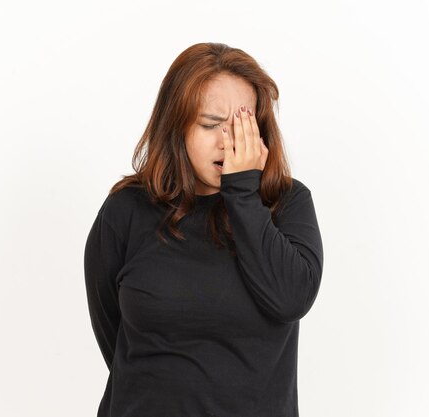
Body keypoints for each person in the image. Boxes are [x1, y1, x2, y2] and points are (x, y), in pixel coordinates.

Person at [83, 42, 324, 417]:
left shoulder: (286, 203)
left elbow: (291, 299)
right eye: (211, 124)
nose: (227, 141)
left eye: (243, 126)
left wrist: (243, 191)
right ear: (176, 125)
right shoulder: (126, 210)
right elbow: (114, 336)